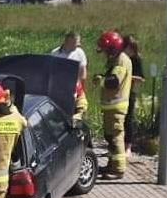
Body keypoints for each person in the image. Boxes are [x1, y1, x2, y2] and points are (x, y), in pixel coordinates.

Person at [93, 30, 138, 180]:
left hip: (116, 106)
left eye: (106, 50)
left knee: (116, 137)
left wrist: (100, 80)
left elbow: (114, 82)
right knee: (110, 137)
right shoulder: (116, 59)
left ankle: (118, 169)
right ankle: (112, 164)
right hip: (111, 106)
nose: (105, 54)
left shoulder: (121, 61)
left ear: (113, 48)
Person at [49, 31, 89, 120]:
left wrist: (82, 89)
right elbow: (51, 73)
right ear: (67, 42)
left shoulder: (80, 53)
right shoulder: (55, 54)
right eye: (75, 43)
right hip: (60, 91)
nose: (78, 45)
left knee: (82, 110)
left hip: (76, 89)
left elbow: (83, 73)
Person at [124, 35, 148, 147]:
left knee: (128, 118)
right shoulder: (121, 59)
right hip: (120, 91)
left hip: (130, 90)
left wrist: (127, 76)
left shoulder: (136, 59)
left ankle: (128, 145)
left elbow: (141, 78)